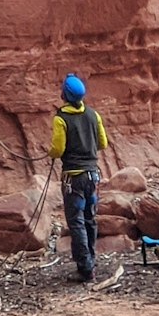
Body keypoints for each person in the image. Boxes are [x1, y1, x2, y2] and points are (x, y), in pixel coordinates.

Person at [51, 73, 109, 283]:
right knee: (89, 219)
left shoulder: (60, 119)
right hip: (93, 176)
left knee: (76, 222)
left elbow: (58, 149)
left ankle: (85, 269)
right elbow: (102, 143)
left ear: (64, 94)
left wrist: (51, 153)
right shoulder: (94, 115)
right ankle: (90, 261)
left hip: (73, 178)